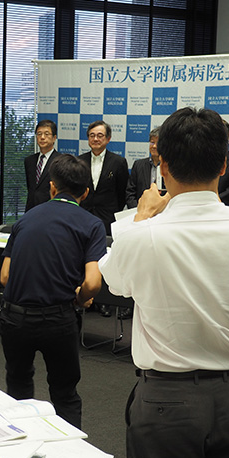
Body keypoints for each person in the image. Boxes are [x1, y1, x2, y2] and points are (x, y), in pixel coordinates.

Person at [99, 107, 229, 458]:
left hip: (168, 398)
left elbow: (114, 282)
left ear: (161, 165)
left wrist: (141, 216)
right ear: (223, 164)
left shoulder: (142, 235)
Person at [0, 153, 106, 429]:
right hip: (58, 320)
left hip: (15, 318)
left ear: (52, 187)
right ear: (85, 193)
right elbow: (93, 283)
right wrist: (81, 297)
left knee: (18, 388)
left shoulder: (25, 220)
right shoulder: (92, 225)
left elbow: (5, 276)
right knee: (64, 393)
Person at [79, 120, 129, 317]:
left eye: (100, 135)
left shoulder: (118, 162)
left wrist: (111, 212)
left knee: (103, 258)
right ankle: (85, 297)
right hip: (83, 216)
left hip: (106, 218)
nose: (96, 139)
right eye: (92, 135)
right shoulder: (80, 161)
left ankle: (104, 301)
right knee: (82, 256)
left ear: (108, 139)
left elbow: (122, 193)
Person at [25, 119, 59, 211]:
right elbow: (31, 188)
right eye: (39, 134)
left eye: (46, 134)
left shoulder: (61, 161)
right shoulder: (29, 161)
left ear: (54, 138)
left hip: (51, 210)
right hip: (31, 210)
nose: (42, 137)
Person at [126, 127, 162, 208]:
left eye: (158, 143)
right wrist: (138, 210)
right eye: (152, 142)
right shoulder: (138, 165)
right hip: (139, 210)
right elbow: (130, 193)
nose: (154, 146)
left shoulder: (170, 167)